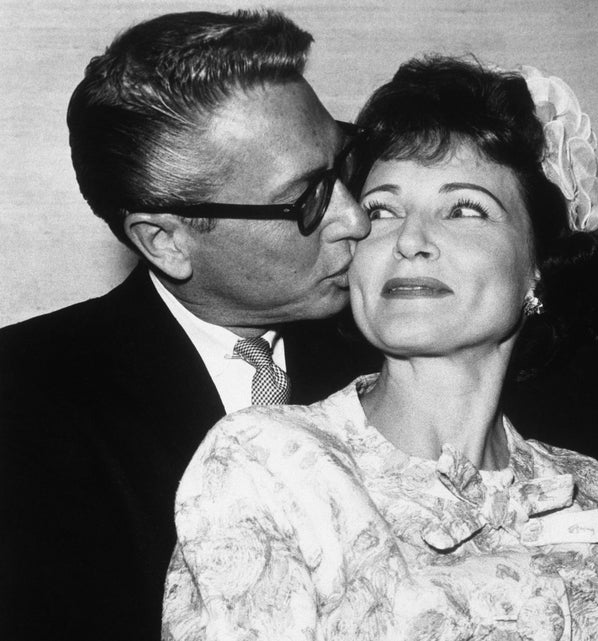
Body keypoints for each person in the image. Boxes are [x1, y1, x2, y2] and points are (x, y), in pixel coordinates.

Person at [163, 57, 598, 640]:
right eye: (381, 211)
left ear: (538, 270)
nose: (411, 240)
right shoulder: (268, 464)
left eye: (463, 209)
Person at [0, 9, 379, 641]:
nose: (356, 218)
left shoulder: (397, 347)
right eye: (308, 198)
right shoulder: (22, 404)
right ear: (166, 243)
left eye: (342, 165)